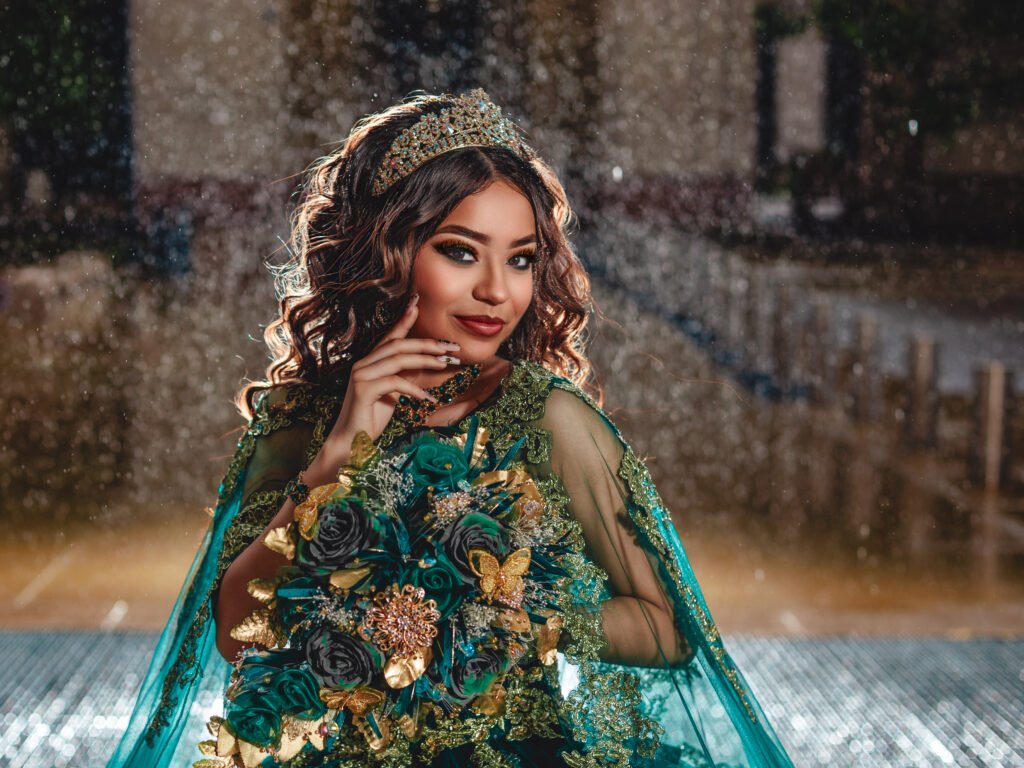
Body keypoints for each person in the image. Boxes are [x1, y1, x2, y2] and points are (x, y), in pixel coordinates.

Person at [108, 89, 793, 768]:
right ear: (386, 251)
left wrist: (516, 616)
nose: (497, 290)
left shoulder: (547, 420)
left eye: (521, 259)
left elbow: (668, 628)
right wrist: (340, 453)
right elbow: (235, 633)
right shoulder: (304, 417)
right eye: (462, 252)